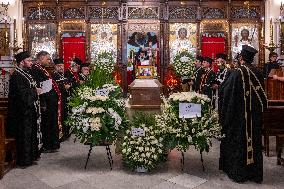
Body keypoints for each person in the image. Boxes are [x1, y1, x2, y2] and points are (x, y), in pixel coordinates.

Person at [219, 45, 267, 183]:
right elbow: (262, 98)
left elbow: (225, 93)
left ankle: (239, 173)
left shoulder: (236, 73)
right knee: (254, 143)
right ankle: (254, 174)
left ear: (241, 58)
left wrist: (224, 115)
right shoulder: (257, 72)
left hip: (239, 117)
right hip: (254, 117)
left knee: (239, 143)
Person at [6, 51, 42, 167]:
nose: (31, 62)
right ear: (22, 62)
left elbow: (29, 88)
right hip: (21, 112)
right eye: (29, 60)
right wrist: (35, 91)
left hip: (29, 110)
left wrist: (35, 89)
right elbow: (22, 94)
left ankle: (31, 157)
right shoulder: (16, 75)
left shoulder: (26, 73)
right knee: (24, 135)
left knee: (30, 134)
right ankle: (24, 160)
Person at [31, 51, 61, 153]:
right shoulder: (35, 69)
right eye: (47, 59)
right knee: (47, 124)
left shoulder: (42, 69)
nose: (49, 61)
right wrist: (44, 102)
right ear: (41, 58)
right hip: (46, 102)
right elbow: (39, 86)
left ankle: (52, 144)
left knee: (51, 123)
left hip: (50, 101)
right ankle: (48, 145)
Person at [52, 58, 71, 141]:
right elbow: (54, 87)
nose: (61, 67)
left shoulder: (62, 75)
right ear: (55, 67)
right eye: (59, 66)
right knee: (61, 117)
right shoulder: (54, 75)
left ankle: (66, 133)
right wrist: (64, 87)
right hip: (59, 100)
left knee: (65, 115)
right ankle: (61, 135)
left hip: (65, 99)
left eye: (62, 66)